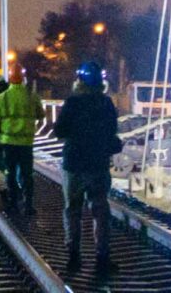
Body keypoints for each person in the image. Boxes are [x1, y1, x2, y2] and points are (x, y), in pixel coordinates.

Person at [51, 60, 122, 274]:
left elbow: (59, 131)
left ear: (79, 81)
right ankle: (102, 258)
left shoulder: (72, 103)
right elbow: (112, 133)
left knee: (72, 210)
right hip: (98, 164)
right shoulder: (106, 104)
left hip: (73, 164)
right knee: (100, 211)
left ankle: (74, 257)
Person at [0, 63, 44, 214]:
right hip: (26, 144)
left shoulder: (2, 98)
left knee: (10, 173)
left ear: (10, 78)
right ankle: (28, 205)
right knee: (27, 175)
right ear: (23, 79)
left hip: (8, 144)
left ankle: (13, 203)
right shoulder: (31, 96)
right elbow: (41, 115)